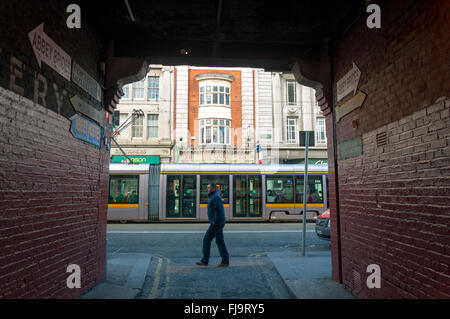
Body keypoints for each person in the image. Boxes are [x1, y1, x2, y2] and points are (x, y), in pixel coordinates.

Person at [196, 183, 230, 267]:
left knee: (206, 239)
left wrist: (214, 221)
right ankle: (225, 261)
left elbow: (218, 210)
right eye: (207, 188)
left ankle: (205, 260)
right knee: (219, 241)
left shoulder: (215, 197)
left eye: (209, 188)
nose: (207, 189)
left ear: (213, 188)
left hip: (217, 223)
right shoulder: (214, 196)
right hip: (218, 222)